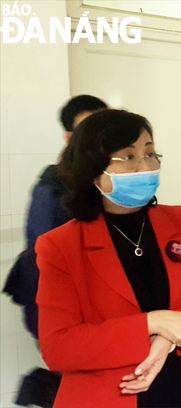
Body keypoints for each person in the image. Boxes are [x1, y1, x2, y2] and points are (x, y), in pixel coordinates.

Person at [35, 109, 181, 407]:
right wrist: (151, 324)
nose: (145, 166)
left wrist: (169, 337)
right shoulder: (61, 245)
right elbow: (59, 347)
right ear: (93, 170)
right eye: (128, 157)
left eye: (151, 153)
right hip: (112, 396)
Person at [3, 94, 107, 339]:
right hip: (68, 322)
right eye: (88, 131)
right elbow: (43, 265)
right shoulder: (53, 189)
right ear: (69, 138)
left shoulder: (104, 181)